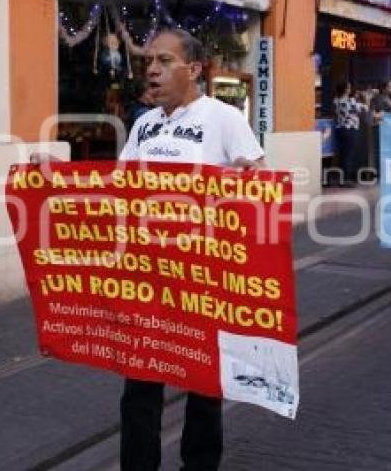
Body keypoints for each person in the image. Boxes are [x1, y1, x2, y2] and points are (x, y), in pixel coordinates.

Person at [118, 28, 265, 470]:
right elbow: (119, 186)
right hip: (147, 278)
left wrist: (247, 179)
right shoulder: (144, 124)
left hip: (203, 279)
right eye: (149, 61)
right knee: (140, 388)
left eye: (164, 60)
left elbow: (259, 181)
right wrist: (56, 174)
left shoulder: (223, 118)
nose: (152, 69)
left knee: (204, 386)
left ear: (194, 69)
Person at [332, 82, 367, 185]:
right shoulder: (349, 101)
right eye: (349, 88)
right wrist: (366, 98)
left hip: (340, 130)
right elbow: (365, 108)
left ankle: (341, 178)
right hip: (350, 130)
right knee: (348, 155)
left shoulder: (336, 101)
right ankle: (346, 180)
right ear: (346, 89)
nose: (350, 89)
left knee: (343, 154)